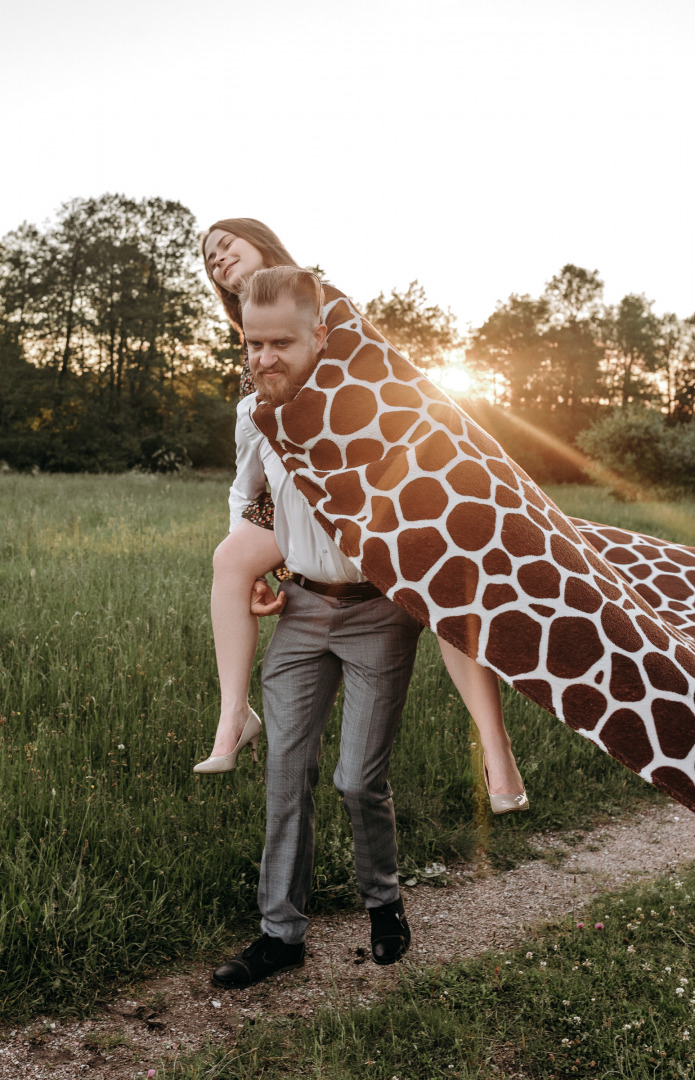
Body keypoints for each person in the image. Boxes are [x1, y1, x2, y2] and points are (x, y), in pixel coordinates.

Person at [195, 218, 527, 813]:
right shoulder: (253, 347)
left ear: (261, 242)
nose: (218, 259)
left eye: (227, 245)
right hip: (297, 493)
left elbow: (390, 387)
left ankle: (496, 748)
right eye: (209, 258)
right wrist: (252, 558)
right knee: (229, 558)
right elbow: (251, 458)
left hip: (365, 483)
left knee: (444, 582)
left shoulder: (327, 302)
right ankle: (233, 715)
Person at [212, 267, 421, 988]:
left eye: (281, 342)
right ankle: (280, 933)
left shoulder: (376, 407)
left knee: (358, 780)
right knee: (284, 773)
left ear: (320, 338)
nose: (264, 357)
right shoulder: (252, 415)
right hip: (300, 611)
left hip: (377, 612)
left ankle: (384, 903)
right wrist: (257, 566)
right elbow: (246, 496)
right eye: (252, 342)